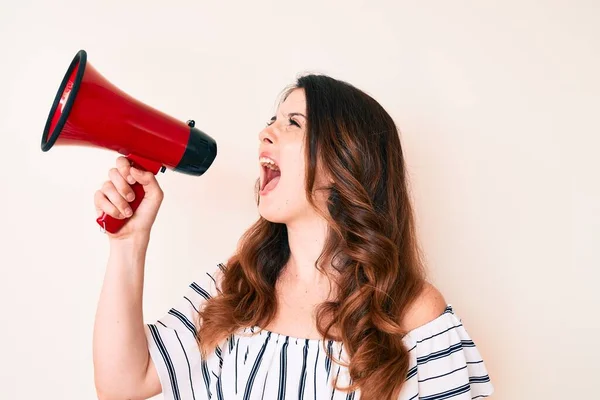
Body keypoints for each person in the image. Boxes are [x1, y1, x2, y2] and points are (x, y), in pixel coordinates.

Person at [92, 75, 494, 400]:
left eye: (293, 123)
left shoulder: (412, 314)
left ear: (345, 161)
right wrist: (128, 244)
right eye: (272, 119)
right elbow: (123, 383)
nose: (265, 132)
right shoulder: (234, 288)